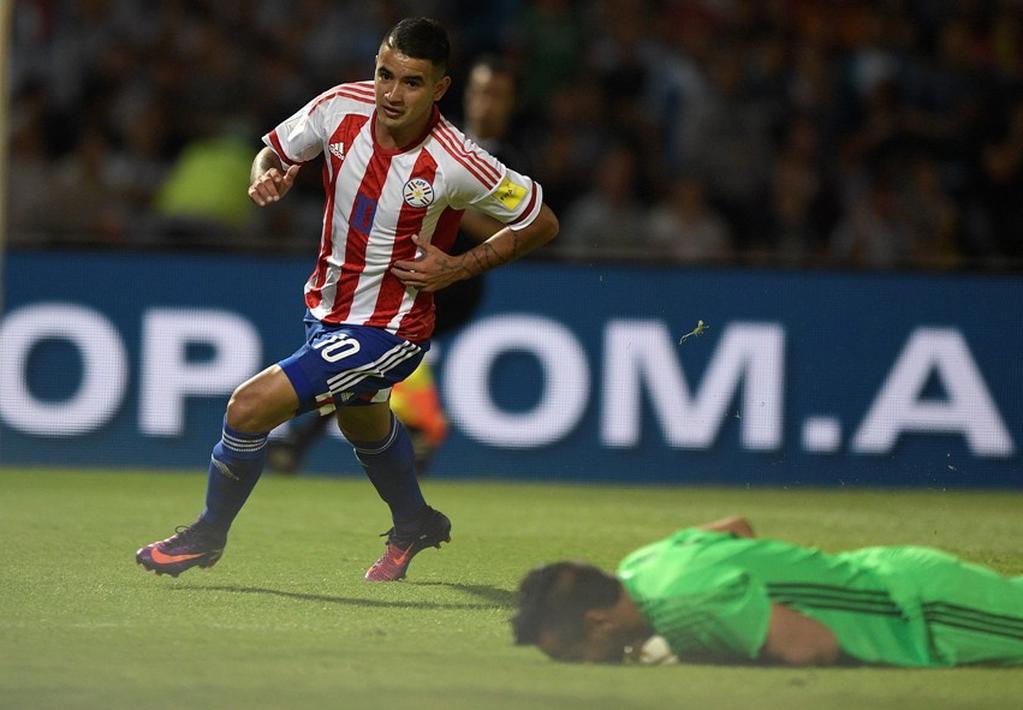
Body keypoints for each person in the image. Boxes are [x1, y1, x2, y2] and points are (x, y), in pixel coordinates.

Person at [136, 18, 559, 582]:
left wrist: (458, 266)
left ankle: (207, 535)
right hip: (327, 312)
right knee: (363, 422)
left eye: (411, 82)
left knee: (247, 407)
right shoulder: (340, 107)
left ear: (439, 89)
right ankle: (415, 521)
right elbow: (273, 152)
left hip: (392, 329)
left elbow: (541, 221)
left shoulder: (458, 159)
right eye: (386, 74)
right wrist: (269, 176)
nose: (391, 93)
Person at [266, 54, 525, 477]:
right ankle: (407, 434)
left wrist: (449, 202)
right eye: (480, 92)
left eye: (497, 96)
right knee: (361, 364)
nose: (486, 103)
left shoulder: (501, 161)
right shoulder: (442, 138)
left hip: (451, 279)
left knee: (368, 351)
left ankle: (410, 426)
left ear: (512, 104)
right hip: (396, 274)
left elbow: (515, 223)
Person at [512, 516, 1023, 666]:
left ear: (596, 622)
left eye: (575, 655)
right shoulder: (646, 564)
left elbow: (812, 647)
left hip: (923, 612)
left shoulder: (686, 609)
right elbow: (737, 527)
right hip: (893, 575)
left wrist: (702, 645)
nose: (585, 666)